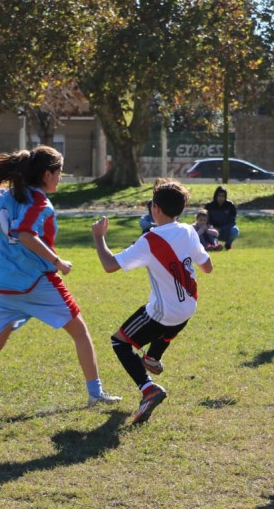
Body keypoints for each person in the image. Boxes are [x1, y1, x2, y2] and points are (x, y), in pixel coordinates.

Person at [0, 146, 121, 407]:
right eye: (59, 172)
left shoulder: (2, 196)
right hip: (37, 282)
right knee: (80, 332)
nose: (60, 178)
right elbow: (26, 234)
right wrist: (57, 261)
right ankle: (96, 394)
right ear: (47, 174)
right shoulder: (39, 202)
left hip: (4, 285)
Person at [92, 179, 214, 424]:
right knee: (168, 322)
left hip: (164, 313)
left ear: (155, 208)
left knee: (120, 342)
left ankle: (148, 388)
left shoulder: (149, 240)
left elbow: (109, 265)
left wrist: (98, 237)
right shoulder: (189, 231)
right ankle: (152, 358)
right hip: (189, 308)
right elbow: (208, 266)